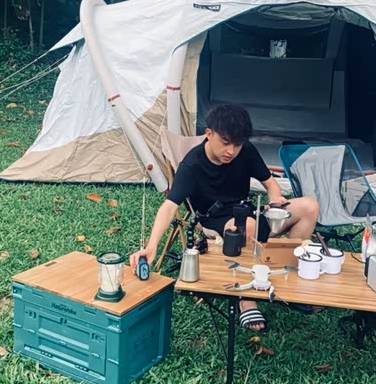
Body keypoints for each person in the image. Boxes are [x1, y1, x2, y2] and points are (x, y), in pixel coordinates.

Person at [130, 104, 320, 333]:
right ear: (209, 134)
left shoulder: (246, 151)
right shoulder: (192, 165)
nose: (231, 150)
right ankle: (246, 299)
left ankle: (287, 272)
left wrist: (275, 199)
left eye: (237, 144)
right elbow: (169, 206)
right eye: (225, 142)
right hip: (216, 220)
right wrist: (151, 247)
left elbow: (270, 183)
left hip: (248, 212)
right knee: (247, 225)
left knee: (310, 206)